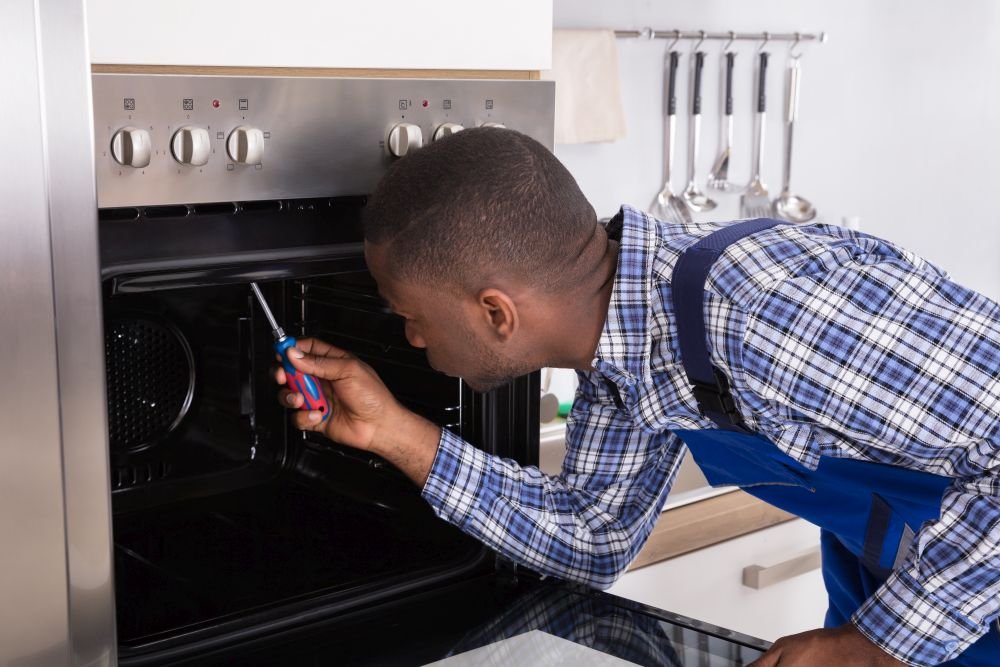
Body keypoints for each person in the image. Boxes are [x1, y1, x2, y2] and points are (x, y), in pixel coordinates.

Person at [274, 127, 999, 666]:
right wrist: (393, 432)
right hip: (897, 593)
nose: (409, 338)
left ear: (496, 312)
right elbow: (596, 535)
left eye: (410, 315)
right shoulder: (625, 350)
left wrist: (876, 644)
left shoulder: (759, 313)